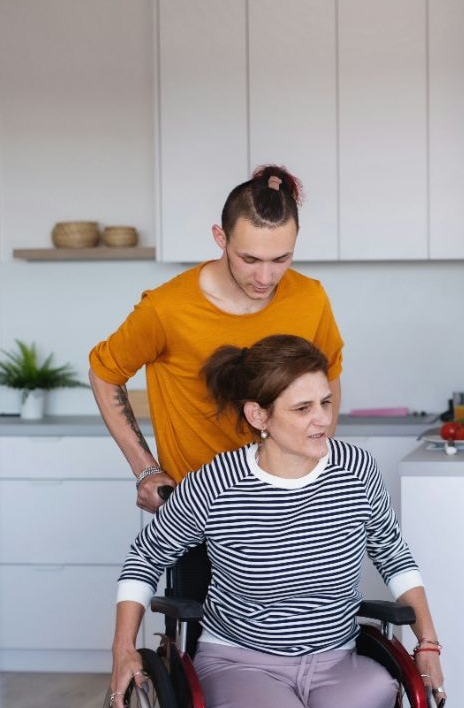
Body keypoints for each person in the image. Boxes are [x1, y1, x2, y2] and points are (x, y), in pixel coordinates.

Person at [108, 335, 445, 708]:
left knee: (389, 693)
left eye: (325, 402)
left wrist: (427, 642)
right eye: (303, 408)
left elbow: (392, 553)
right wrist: (123, 648)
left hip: (334, 663)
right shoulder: (219, 482)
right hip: (240, 665)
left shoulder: (356, 469)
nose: (323, 419)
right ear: (259, 416)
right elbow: (146, 555)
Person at [89, 165, 344, 513]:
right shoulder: (167, 308)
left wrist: (318, 457)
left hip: (291, 504)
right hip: (199, 509)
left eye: (281, 258)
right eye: (249, 258)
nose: (266, 277)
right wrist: (146, 470)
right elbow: (104, 374)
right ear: (220, 238)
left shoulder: (311, 297)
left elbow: (328, 375)